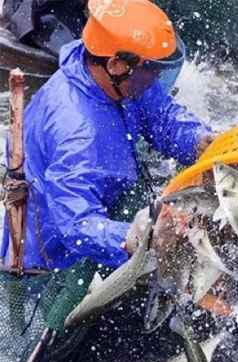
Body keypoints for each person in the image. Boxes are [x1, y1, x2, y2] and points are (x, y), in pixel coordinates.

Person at [0, 0, 213, 272]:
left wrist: (198, 140)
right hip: (53, 262)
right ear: (115, 64)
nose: (157, 76)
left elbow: (160, 115)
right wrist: (133, 235)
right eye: (152, 69)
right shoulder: (78, 135)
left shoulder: (115, 74)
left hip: (105, 201)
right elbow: (77, 225)